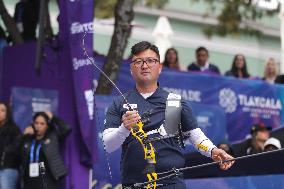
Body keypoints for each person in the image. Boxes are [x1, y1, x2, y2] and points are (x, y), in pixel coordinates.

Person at [103, 41, 234, 188]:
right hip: (134, 184)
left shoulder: (173, 101)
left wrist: (213, 150)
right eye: (138, 61)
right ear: (131, 68)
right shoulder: (119, 103)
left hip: (171, 184)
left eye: (150, 61)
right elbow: (108, 145)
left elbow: (195, 136)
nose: (144, 66)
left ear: (159, 68)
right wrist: (124, 128)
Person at [20, 111, 71, 189]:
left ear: (47, 125)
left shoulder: (52, 137)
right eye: (36, 123)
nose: (38, 126)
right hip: (29, 180)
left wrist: (53, 118)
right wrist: (23, 136)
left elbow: (67, 128)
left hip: (47, 178)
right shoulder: (28, 139)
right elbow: (15, 151)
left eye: (42, 123)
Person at [0, 101, 21, 189]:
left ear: (7, 113)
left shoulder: (14, 129)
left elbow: (16, 149)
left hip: (7, 169)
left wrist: (5, 152)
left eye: (2, 110)